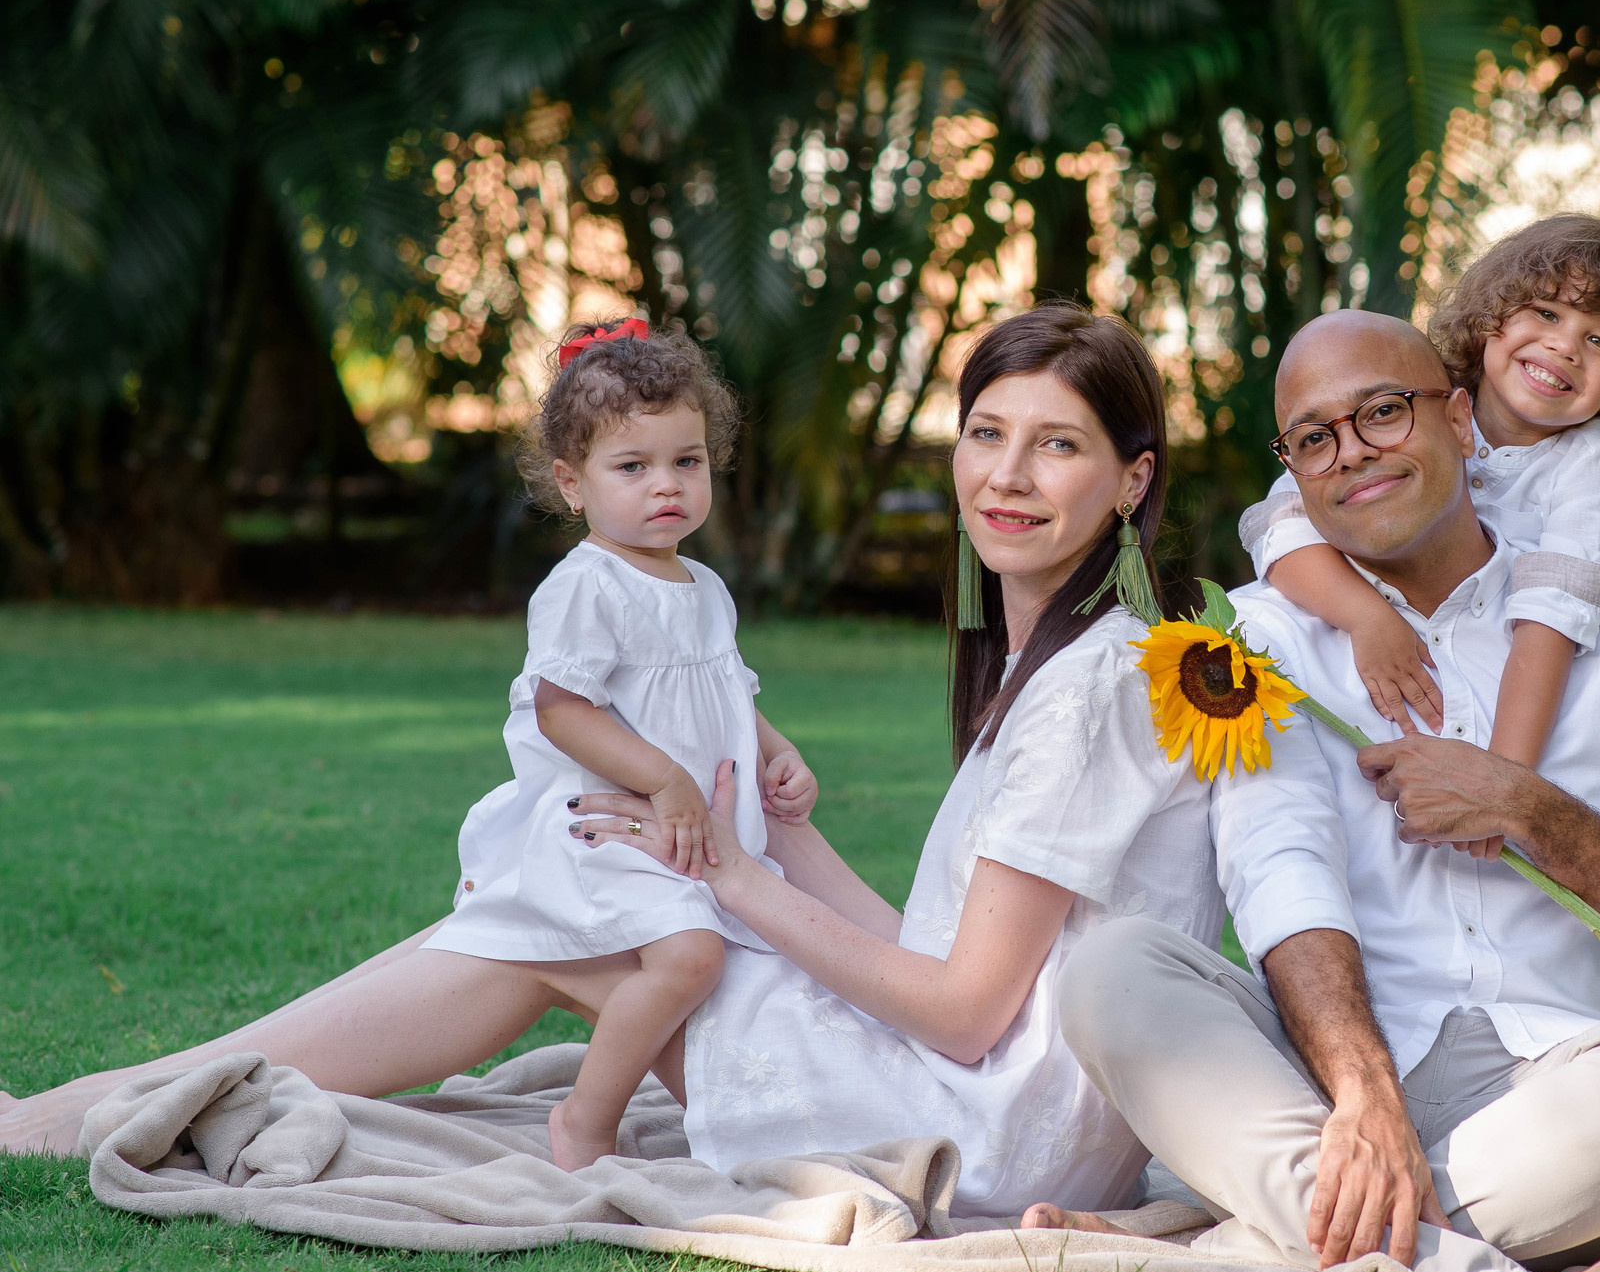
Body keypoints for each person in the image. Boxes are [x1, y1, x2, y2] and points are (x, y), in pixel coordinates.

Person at [0, 306, 1222, 1224]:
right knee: (573, 907)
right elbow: (932, 950)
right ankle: (114, 1094)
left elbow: (961, 1014)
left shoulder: (1093, 690)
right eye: (985, 433)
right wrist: (770, 831)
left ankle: (85, 1111)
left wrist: (739, 879)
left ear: (1132, 478)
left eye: (1056, 444)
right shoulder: (1058, 665)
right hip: (995, 1098)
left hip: (986, 1131)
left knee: (561, 923)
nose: (1006, 475)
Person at [1032, 311, 1600, 1272]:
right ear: (1291, 468)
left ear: (1461, 418)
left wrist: (1526, 806)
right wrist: (1362, 1089)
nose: (1353, 455)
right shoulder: (1257, 640)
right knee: (1113, 969)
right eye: (1315, 437)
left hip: (1557, 1092)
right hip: (1326, 1076)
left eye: (1381, 411)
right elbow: (1277, 865)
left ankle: (1263, 1227)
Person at [421, 316, 817, 1170]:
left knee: (738, 965)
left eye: (686, 461)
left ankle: (757, 1103)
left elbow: (725, 688)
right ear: (573, 482)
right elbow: (563, 710)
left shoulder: (703, 586)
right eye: (631, 467)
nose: (664, 485)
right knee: (690, 959)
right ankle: (587, 1119)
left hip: (683, 833)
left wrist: (777, 749)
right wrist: (667, 779)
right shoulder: (586, 586)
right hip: (610, 828)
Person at [1240, 215, 1600, 777]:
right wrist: (1366, 618)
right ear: (1491, 322)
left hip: (1505, 659)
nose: (1565, 345)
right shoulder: (1409, 403)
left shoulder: (1590, 468)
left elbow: (1551, 622)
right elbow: (1282, 524)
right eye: (1547, 313)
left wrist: (1502, 784)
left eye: (1599, 341)